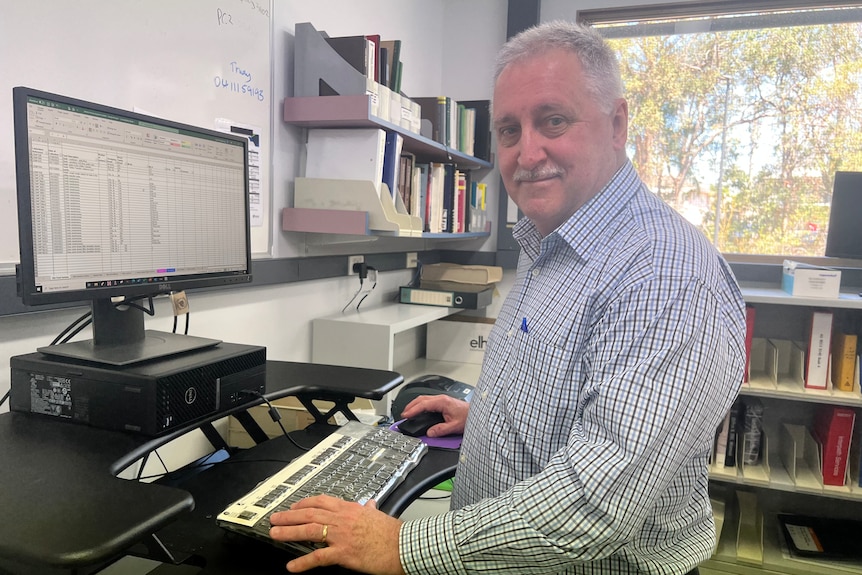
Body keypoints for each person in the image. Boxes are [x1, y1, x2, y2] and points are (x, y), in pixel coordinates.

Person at [270, 20, 745, 575]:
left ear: (616, 124)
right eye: (509, 130)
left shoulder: (666, 274)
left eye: (553, 120)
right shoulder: (554, 241)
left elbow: (591, 507)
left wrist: (399, 547)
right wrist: (487, 418)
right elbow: (570, 388)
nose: (526, 152)